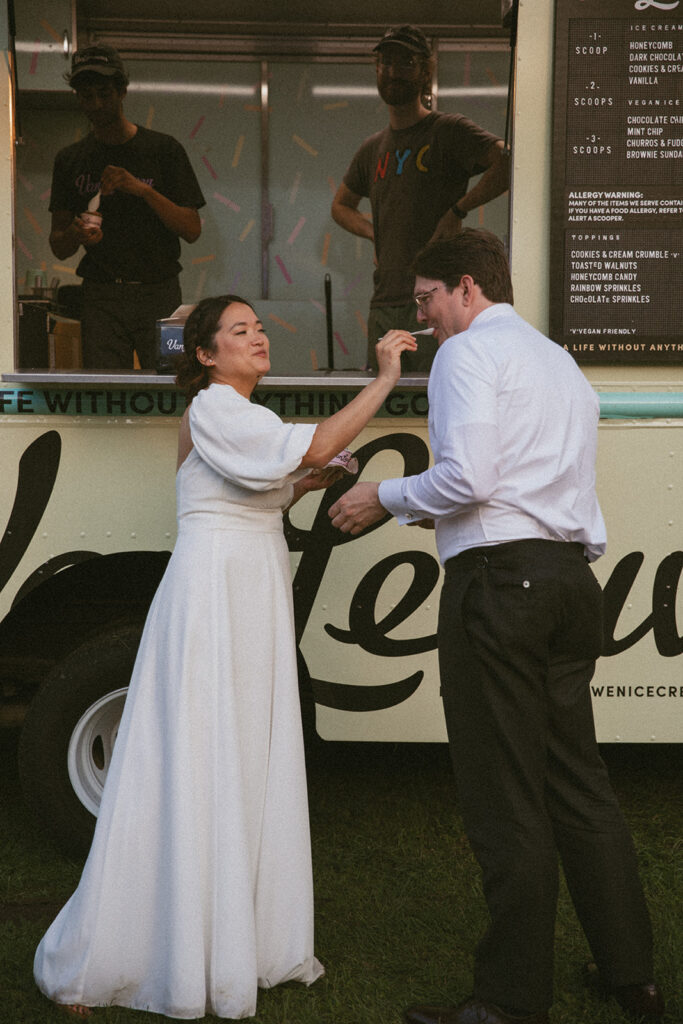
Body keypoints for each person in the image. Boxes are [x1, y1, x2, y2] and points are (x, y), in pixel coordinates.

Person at [33, 294, 416, 1020]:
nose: (258, 338)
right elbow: (302, 448)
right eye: (240, 331)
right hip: (215, 593)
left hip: (249, 585)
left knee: (239, 753)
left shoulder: (238, 419)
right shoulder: (216, 407)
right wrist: (382, 379)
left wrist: (312, 483)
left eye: (260, 327)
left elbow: (264, 489)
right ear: (206, 355)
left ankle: (237, 937)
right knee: (198, 752)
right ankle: (142, 947)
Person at [328, 230, 664, 1024]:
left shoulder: (465, 354)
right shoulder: (557, 362)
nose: (424, 317)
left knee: (503, 795)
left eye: (427, 299)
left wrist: (384, 496)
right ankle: (633, 980)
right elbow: (514, 487)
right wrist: (449, 517)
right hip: (566, 581)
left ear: (468, 287)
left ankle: (510, 1002)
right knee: (579, 786)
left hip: (499, 589)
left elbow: (469, 476)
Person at [331, 25, 509, 372]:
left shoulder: (448, 130)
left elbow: (506, 161)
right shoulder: (372, 149)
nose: (393, 71)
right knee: (382, 408)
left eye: (405, 62)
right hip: (385, 301)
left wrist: (459, 209)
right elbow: (341, 206)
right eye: (385, 62)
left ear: (426, 70)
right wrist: (374, 233)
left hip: (441, 300)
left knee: (442, 401)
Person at [49, 44, 205, 369]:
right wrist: (76, 233)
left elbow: (191, 229)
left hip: (160, 293)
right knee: (104, 391)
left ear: (122, 91)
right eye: (86, 95)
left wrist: (143, 190)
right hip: (100, 295)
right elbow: (59, 245)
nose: (95, 104)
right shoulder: (70, 160)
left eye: (104, 93)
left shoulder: (163, 150)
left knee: (174, 383)